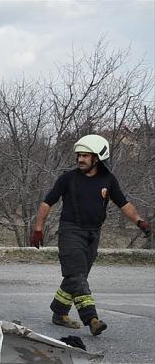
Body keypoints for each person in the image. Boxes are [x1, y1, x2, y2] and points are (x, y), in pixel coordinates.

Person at [31, 134, 151, 335]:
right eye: (79, 155)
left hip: (93, 234)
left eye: (85, 155)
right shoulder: (67, 178)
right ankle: (92, 319)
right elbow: (47, 203)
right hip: (70, 231)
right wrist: (37, 229)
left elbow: (124, 204)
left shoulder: (108, 180)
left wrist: (139, 221)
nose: (80, 159)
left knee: (76, 277)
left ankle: (59, 312)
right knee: (77, 276)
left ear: (97, 158)